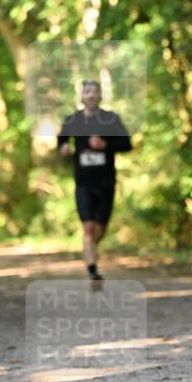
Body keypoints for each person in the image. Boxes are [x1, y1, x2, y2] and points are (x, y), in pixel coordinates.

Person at [58, 80, 132, 287]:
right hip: (83, 182)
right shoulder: (72, 120)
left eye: (94, 92)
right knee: (89, 228)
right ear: (81, 96)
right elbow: (61, 142)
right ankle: (93, 271)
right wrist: (63, 148)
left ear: (99, 96)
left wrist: (105, 145)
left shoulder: (111, 119)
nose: (90, 95)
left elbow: (127, 144)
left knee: (101, 228)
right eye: (87, 92)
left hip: (106, 181)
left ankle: (90, 249)